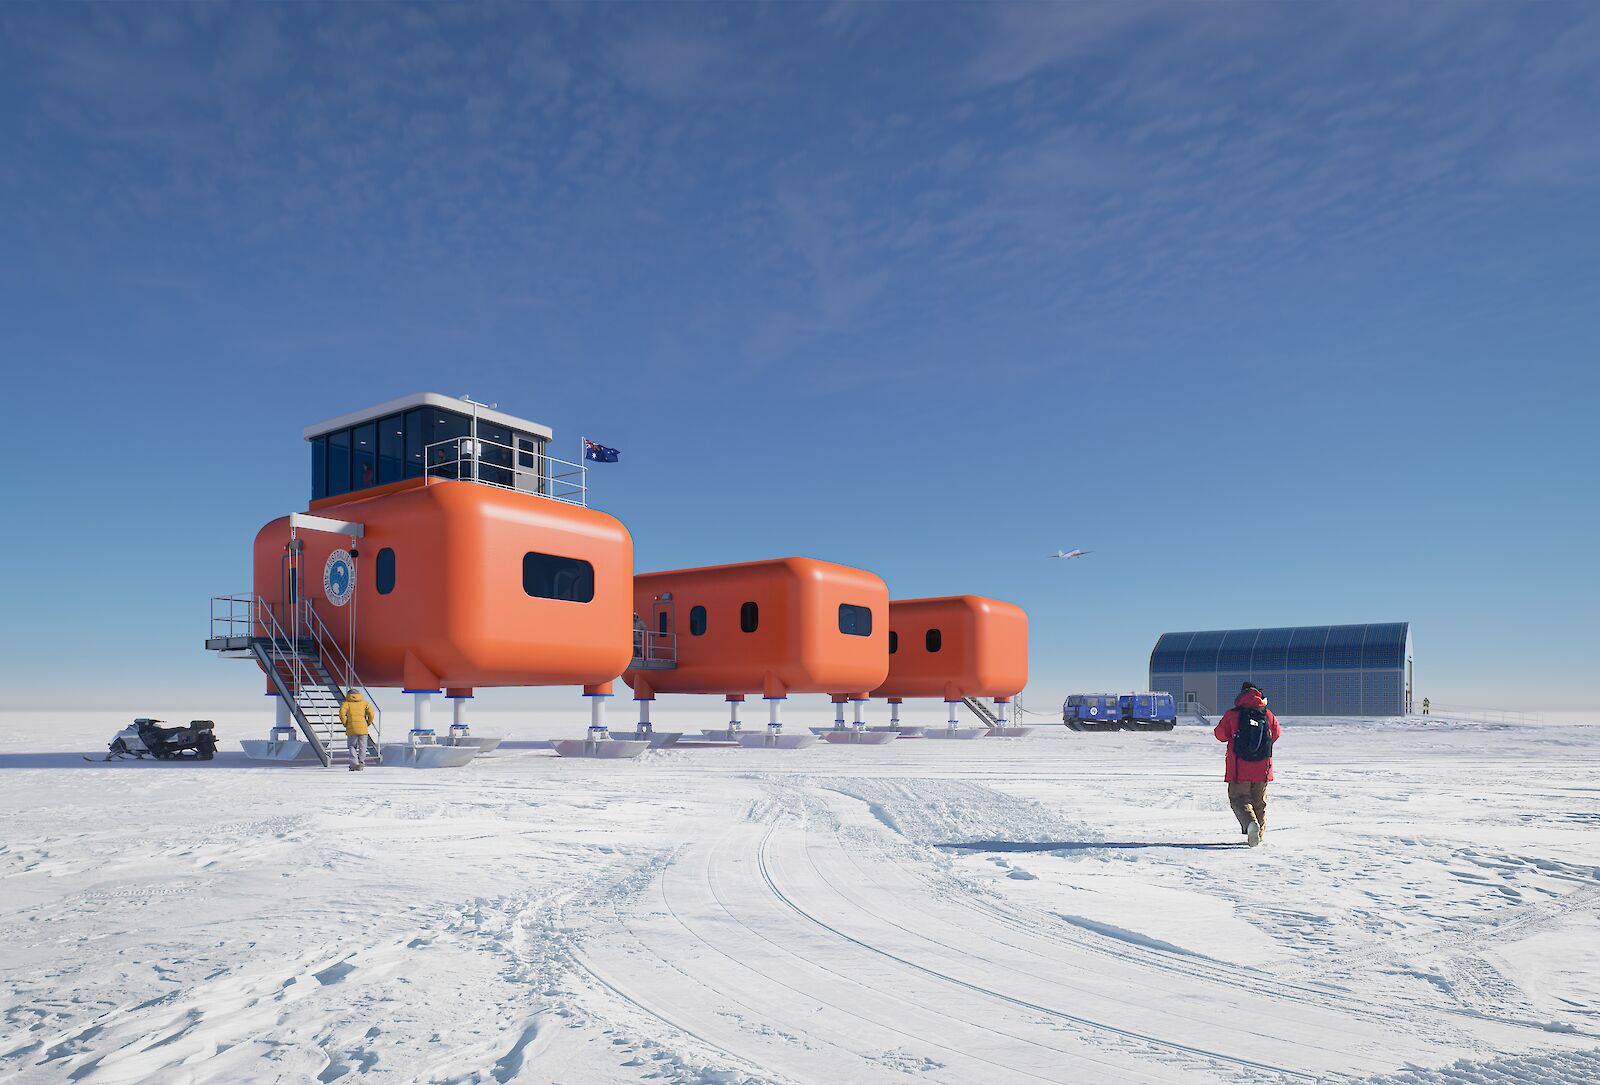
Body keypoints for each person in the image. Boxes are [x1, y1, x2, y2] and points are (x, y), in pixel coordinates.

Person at [1213, 682, 1282, 846]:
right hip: (1263, 768)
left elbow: (1219, 734)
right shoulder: (1267, 714)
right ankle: (1259, 835)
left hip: (1239, 768)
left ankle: (1251, 824)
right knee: (1259, 802)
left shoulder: (1232, 714)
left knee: (1238, 799)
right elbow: (1276, 734)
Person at [339, 689, 375, 771]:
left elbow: (342, 714)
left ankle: (354, 764)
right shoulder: (364, 703)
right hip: (363, 727)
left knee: (352, 746)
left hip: (351, 727)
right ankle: (361, 763)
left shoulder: (346, 703)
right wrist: (367, 723)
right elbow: (371, 714)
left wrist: (345, 723)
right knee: (363, 746)